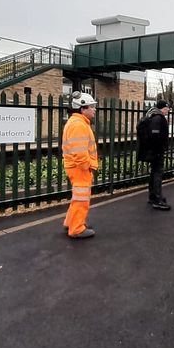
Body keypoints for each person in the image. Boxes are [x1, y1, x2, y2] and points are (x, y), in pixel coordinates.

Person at [61, 91, 98, 239]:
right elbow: (80, 154)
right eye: (92, 107)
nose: (94, 109)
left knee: (78, 197)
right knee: (82, 199)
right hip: (80, 168)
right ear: (83, 109)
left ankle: (71, 222)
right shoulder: (79, 125)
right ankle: (76, 229)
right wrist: (88, 167)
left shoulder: (76, 122)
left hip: (75, 167)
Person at [140, 100, 171, 210]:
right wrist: (159, 149)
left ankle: (153, 196)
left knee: (154, 173)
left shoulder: (152, 115)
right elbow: (155, 135)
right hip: (156, 152)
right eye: (167, 108)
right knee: (157, 174)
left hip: (154, 151)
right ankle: (157, 200)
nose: (168, 110)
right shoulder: (158, 118)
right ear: (163, 108)